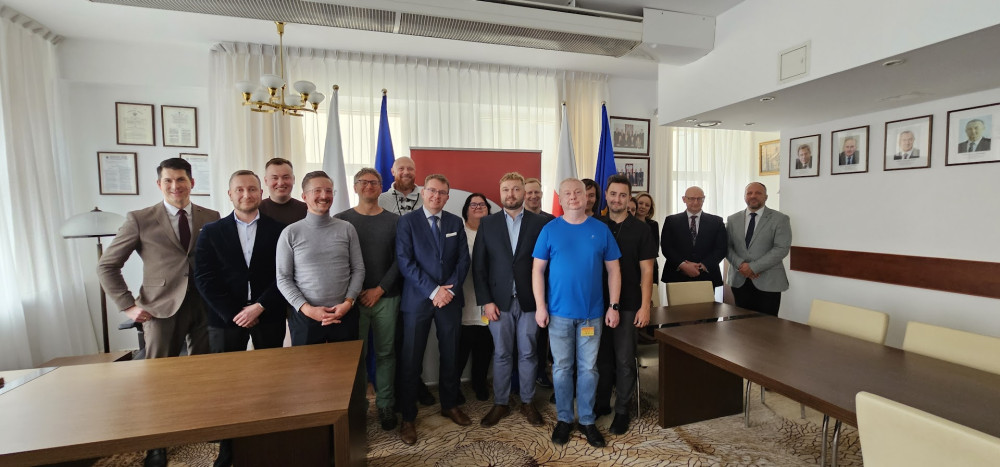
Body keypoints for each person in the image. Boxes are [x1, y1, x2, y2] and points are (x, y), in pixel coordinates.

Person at [97, 157, 220, 467]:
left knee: (204, 372)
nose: (175, 186)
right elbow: (107, 265)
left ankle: (202, 427)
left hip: (204, 306)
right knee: (158, 380)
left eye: (181, 180)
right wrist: (128, 305)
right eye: (168, 180)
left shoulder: (211, 216)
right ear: (159, 184)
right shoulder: (140, 219)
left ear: (192, 183)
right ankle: (156, 444)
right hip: (160, 309)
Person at [193, 171, 286, 467]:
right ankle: (228, 446)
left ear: (261, 193)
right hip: (225, 318)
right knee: (226, 386)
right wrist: (236, 313)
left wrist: (259, 306)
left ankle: (269, 439)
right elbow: (204, 277)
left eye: (252, 189)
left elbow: (284, 274)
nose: (246, 194)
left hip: (268, 314)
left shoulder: (279, 230)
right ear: (230, 194)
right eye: (240, 190)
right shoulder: (211, 231)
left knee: (271, 381)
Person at [532, 178, 621, 448]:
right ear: (560, 199)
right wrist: (540, 306)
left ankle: (587, 420)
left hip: (592, 315)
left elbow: (614, 270)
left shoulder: (601, 230)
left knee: (588, 369)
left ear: (587, 197)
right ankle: (564, 419)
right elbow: (537, 270)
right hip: (558, 314)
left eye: (578, 192)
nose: (573, 197)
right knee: (561, 369)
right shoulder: (549, 229)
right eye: (567, 193)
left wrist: (613, 305)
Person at [396, 174, 471, 445]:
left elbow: (463, 260)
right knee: (411, 358)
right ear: (423, 192)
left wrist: (448, 291)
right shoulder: (407, 222)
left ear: (448, 197)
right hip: (418, 300)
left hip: (449, 300)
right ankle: (408, 416)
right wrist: (433, 290)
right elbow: (405, 262)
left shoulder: (455, 222)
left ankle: (449, 404)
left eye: (441, 192)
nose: (436, 196)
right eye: (432, 191)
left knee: (450, 354)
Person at [473, 172, 550, 428]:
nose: (511, 194)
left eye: (516, 189)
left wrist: (543, 302)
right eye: (506, 189)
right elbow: (479, 266)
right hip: (498, 303)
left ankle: (528, 402)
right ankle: (501, 403)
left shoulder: (540, 224)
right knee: (502, 353)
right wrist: (486, 301)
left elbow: (547, 266)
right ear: (500, 193)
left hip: (530, 301)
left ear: (524, 192)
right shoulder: (488, 223)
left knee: (528, 353)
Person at [334, 168, 402, 431]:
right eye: (363, 182)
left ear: (381, 187)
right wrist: (355, 293)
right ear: (354, 187)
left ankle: (385, 404)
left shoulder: (395, 221)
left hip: (387, 297)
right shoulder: (341, 220)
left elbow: (400, 260)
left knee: (386, 353)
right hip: (352, 301)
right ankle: (358, 405)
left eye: (374, 182)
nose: (369, 186)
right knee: (356, 356)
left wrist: (380, 289)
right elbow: (338, 261)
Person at [594, 175, 655, 435]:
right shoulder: (595, 225)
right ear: (606, 196)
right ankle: (600, 403)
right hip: (596, 303)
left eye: (622, 195)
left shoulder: (641, 229)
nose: (617, 199)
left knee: (624, 359)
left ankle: (622, 410)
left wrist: (645, 306)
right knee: (600, 358)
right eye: (613, 194)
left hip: (629, 303)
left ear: (629, 198)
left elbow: (648, 271)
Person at [276, 171, 365, 345]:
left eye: (329, 191)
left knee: (344, 363)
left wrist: (348, 303)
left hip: (344, 314)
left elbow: (358, 269)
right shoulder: (290, 233)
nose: (324, 196)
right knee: (307, 364)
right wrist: (308, 309)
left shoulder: (347, 229)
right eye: (317, 191)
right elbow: (283, 278)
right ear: (304, 196)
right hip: (305, 317)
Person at [725, 182, 791, 317]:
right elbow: (726, 247)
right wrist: (741, 265)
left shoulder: (780, 219)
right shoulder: (732, 219)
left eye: (758, 193)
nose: (753, 196)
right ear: (744, 196)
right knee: (741, 324)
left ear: (766, 197)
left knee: (767, 325)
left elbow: (781, 248)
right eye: (749, 193)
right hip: (739, 280)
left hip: (769, 282)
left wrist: (753, 267)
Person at [458, 193, 493, 404]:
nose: (478, 207)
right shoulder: (458, 232)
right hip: (463, 298)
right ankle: (454, 386)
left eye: (482, 204)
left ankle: (479, 382)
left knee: (484, 346)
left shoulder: (494, 234)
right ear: (466, 209)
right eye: (473, 204)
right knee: (461, 347)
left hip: (488, 301)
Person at [661, 186, 727, 288]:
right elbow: (666, 247)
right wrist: (683, 265)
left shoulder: (716, 222)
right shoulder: (671, 221)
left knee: (706, 300)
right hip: (677, 275)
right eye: (691, 198)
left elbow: (721, 248)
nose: (695, 202)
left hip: (706, 276)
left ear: (704, 199)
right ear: (684, 199)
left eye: (699, 199)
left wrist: (703, 266)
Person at [259, 157, 308, 225]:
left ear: (293, 179)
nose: (280, 183)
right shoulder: (256, 210)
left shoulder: (307, 210)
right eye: (275, 178)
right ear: (266, 181)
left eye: (286, 177)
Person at [633, 193, 661, 293]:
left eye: (647, 205)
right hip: (632, 268)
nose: (643, 207)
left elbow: (655, 248)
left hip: (650, 267)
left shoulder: (653, 225)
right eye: (640, 203)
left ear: (650, 209)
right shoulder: (628, 223)